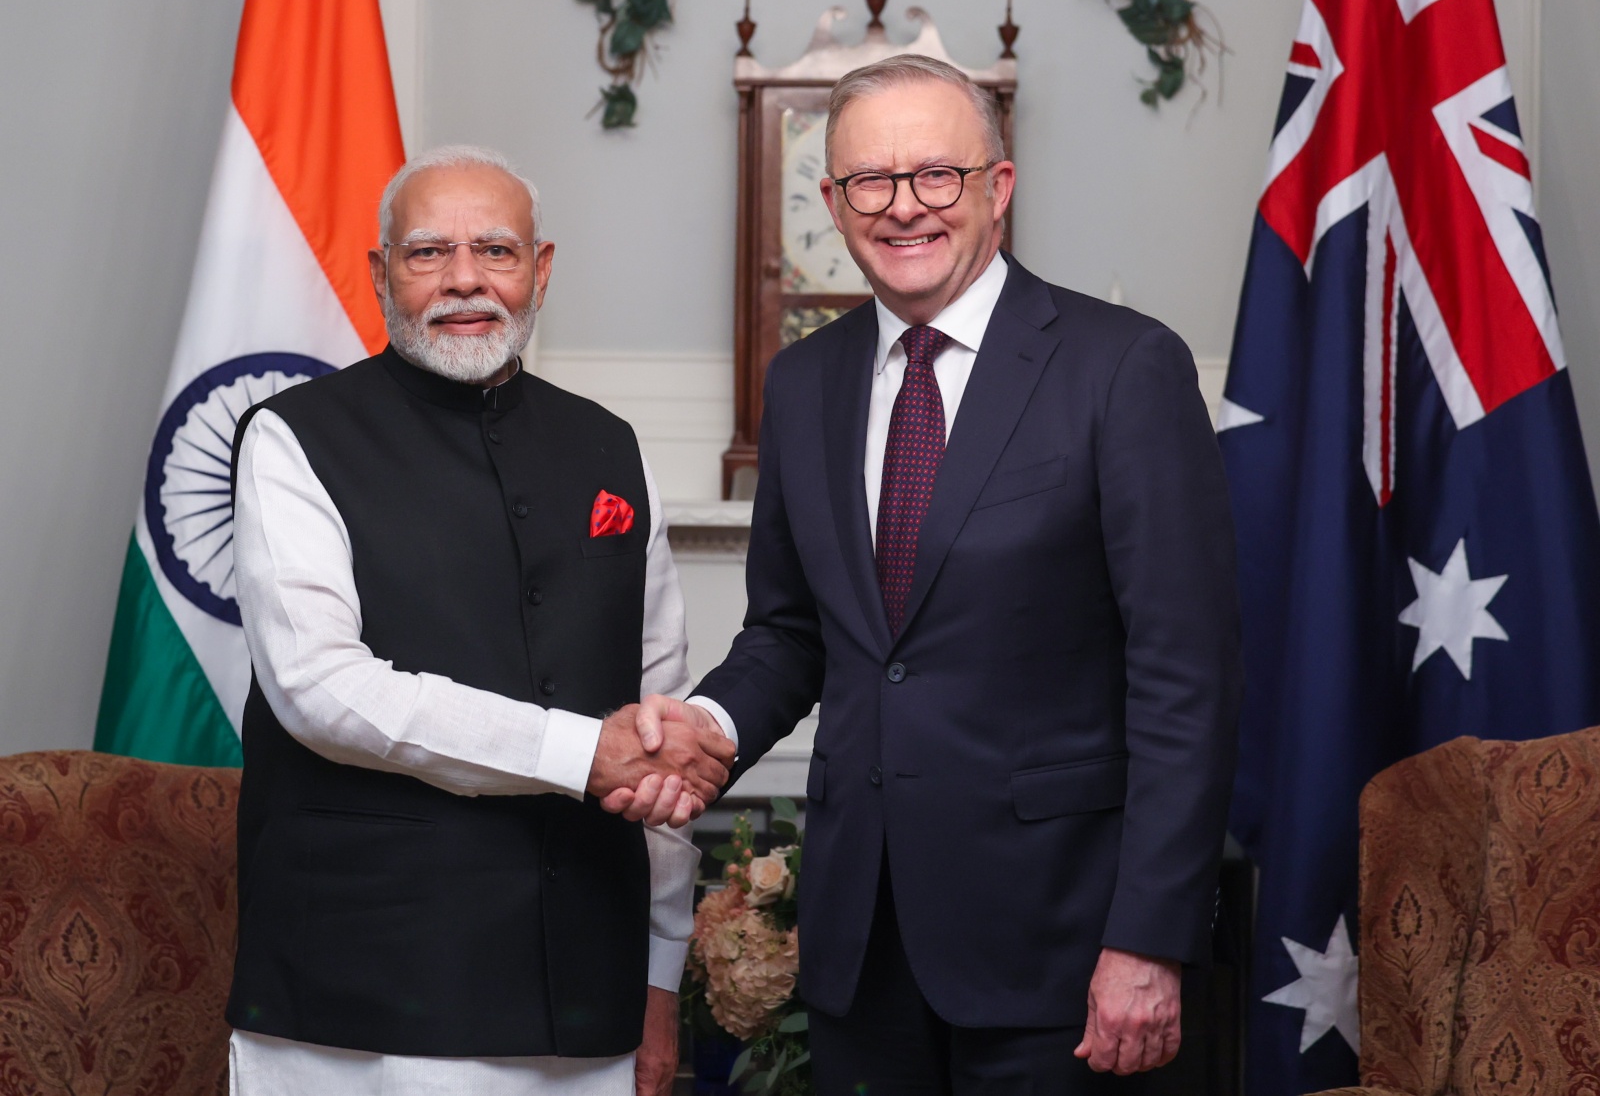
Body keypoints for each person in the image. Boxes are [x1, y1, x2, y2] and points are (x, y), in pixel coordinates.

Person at [607, 55, 1243, 1093]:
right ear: (832, 202)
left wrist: (1149, 937)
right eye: (870, 181)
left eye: (936, 176)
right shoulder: (803, 382)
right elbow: (791, 631)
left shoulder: (1121, 366)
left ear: (997, 187)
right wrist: (708, 729)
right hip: (864, 944)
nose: (904, 207)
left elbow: (1186, 677)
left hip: (1067, 948)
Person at [226, 145, 735, 1096]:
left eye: (496, 250)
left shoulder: (609, 446)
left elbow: (656, 726)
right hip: (360, 1004)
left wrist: (661, 976)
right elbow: (320, 691)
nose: (466, 279)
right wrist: (582, 752)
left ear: (540, 270)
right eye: (428, 253)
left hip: (590, 996)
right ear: (381, 275)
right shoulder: (292, 438)